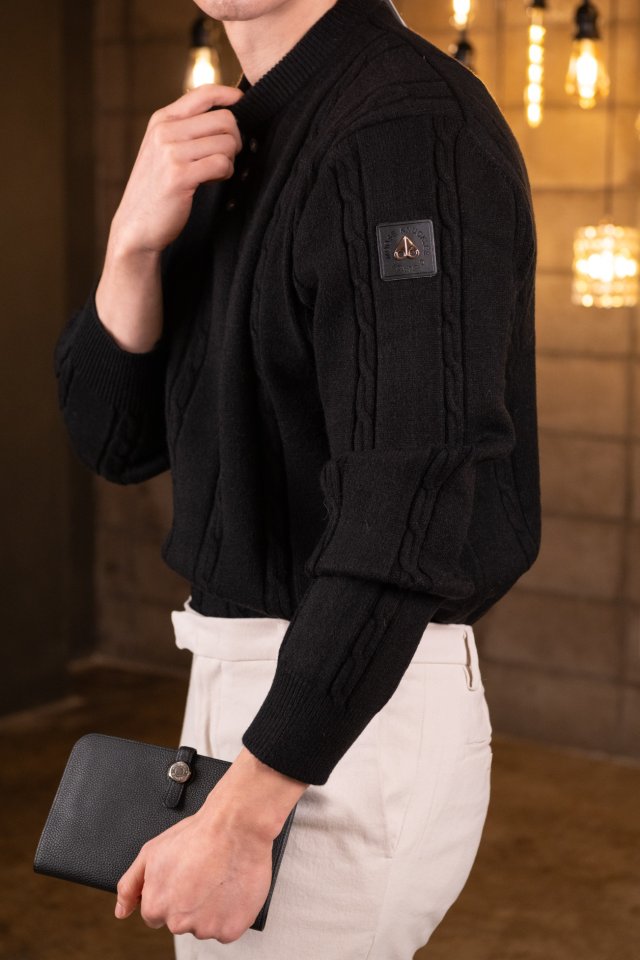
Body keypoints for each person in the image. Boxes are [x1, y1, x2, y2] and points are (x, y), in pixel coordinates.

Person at [53, 0, 541, 955]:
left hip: (346, 713)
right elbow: (115, 440)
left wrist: (245, 813)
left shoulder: (405, 127)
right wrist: (132, 244)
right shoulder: (233, 132)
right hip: (255, 698)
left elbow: (409, 502)